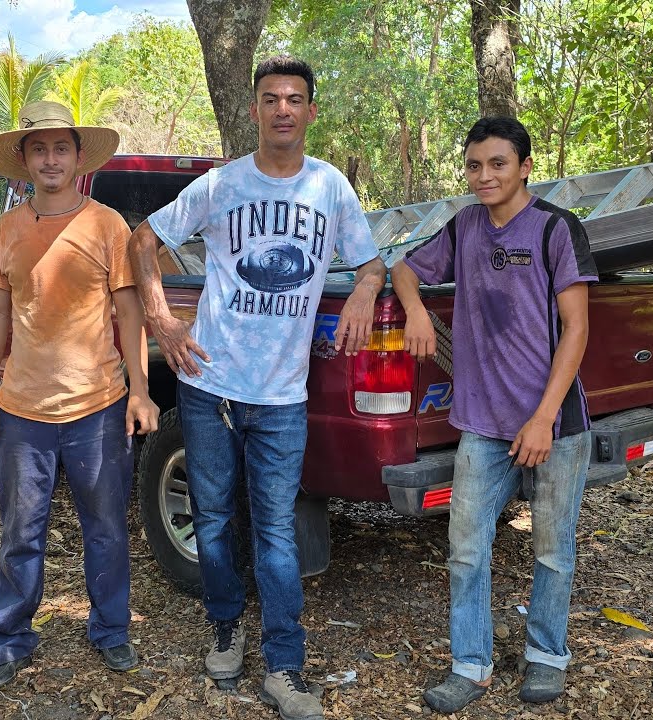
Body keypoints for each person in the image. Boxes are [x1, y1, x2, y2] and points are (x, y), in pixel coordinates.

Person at [128, 56, 385, 720]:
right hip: (209, 383)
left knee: (275, 528)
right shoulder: (219, 186)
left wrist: (362, 292)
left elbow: (373, 262)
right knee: (212, 519)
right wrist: (161, 318)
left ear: (310, 113)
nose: (282, 110)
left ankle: (285, 664)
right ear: (254, 111)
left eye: (294, 99)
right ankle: (224, 626)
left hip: (281, 395)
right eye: (270, 98)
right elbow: (143, 238)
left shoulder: (330, 189)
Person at [391, 116, 598, 712]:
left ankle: (546, 659)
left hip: (555, 423)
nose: (485, 176)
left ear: (525, 166)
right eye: (475, 166)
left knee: (553, 549)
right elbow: (406, 267)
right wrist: (415, 311)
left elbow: (577, 330)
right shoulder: (465, 230)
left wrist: (543, 418)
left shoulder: (556, 229)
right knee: (465, 548)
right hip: (481, 424)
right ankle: (470, 665)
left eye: (498, 164)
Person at [0, 101, 158, 691]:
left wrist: (140, 391)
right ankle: (8, 638)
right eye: (39, 148)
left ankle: (111, 629)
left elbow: (129, 314)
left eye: (61, 148)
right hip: (22, 409)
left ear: (79, 158)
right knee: (19, 531)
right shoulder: (7, 229)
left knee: (106, 527)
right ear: (24, 161)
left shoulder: (106, 225)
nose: (50, 159)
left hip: (98, 405)